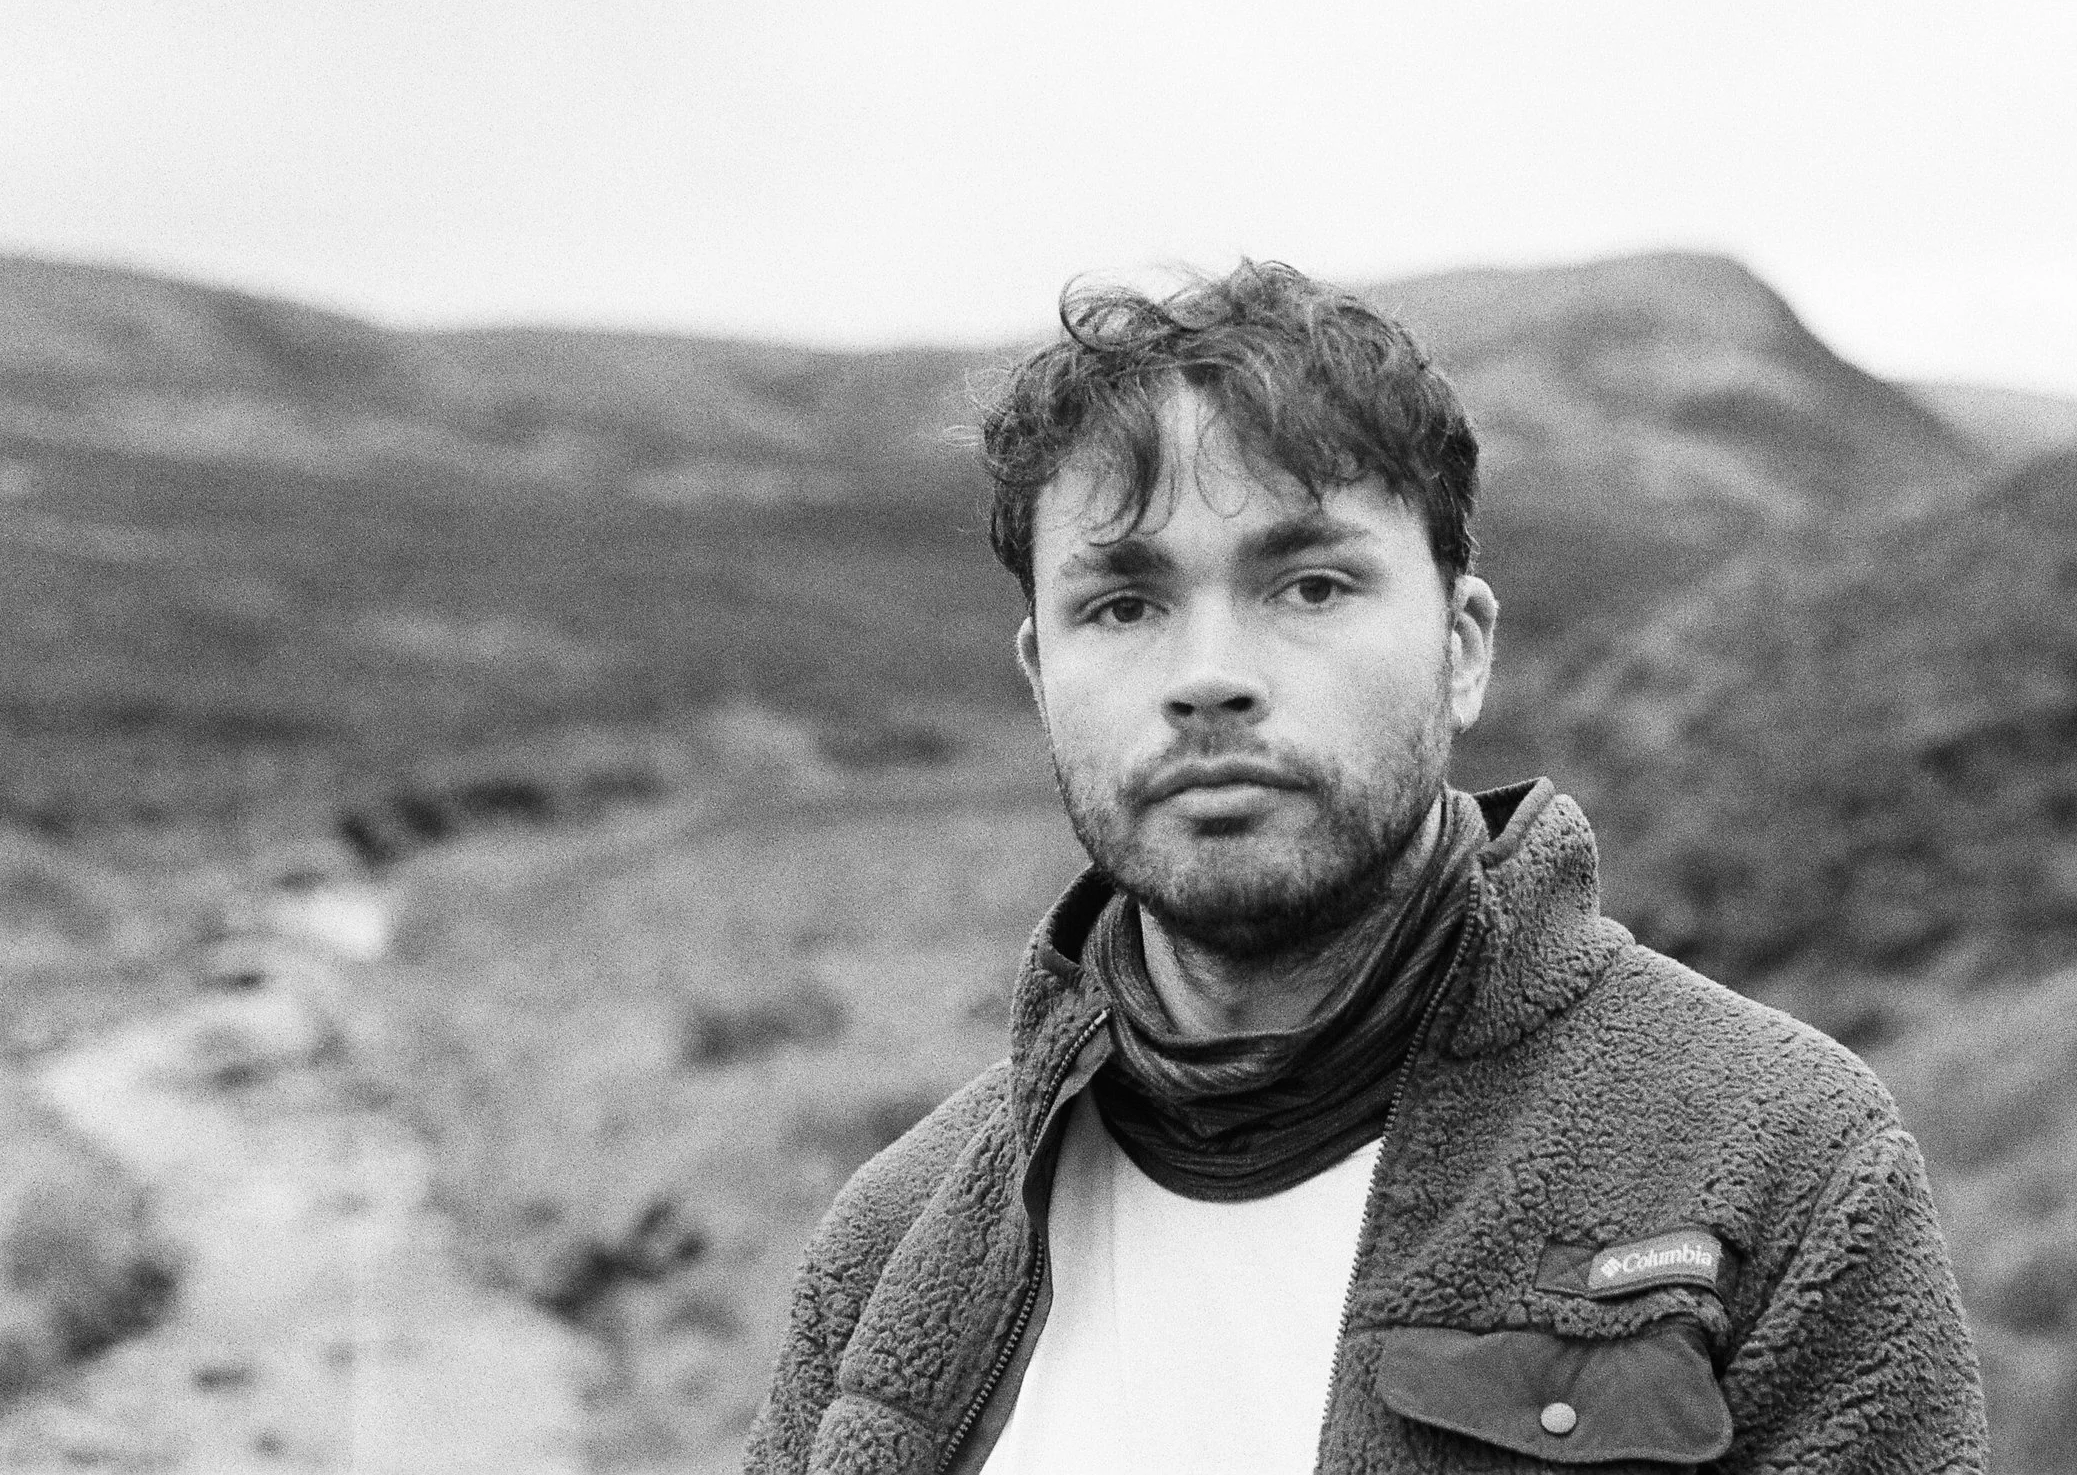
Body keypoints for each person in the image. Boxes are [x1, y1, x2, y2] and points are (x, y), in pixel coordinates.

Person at [746, 262, 1986, 1474]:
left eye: (1311, 584)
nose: (1208, 673)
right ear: (1039, 678)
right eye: (1122, 604)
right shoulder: (887, 1247)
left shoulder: (1773, 1160)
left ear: (1460, 648)